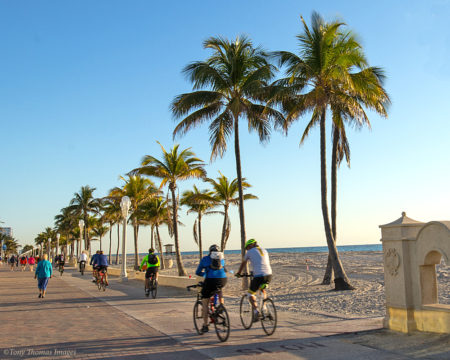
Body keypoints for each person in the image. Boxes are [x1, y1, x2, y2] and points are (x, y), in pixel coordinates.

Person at [236, 239, 272, 321]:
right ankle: (264, 308)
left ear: (250, 245)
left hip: (259, 275)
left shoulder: (249, 252)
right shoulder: (264, 250)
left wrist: (238, 273)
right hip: (269, 275)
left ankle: (256, 311)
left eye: (247, 248)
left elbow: (243, 263)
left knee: (250, 294)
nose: (247, 250)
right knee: (262, 289)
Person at [195, 244, 227, 334]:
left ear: (210, 251)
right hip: (223, 280)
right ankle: (221, 306)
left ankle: (205, 325)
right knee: (220, 289)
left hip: (210, 281)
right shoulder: (221, 259)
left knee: (205, 302)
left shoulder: (205, 259)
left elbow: (197, 272)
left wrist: (204, 274)